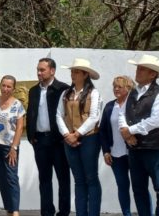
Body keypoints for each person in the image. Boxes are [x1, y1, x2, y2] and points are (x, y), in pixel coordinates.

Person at [119, 54, 159, 216]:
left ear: (152, 74)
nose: (137, 71)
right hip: (135, 149)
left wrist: (131, 131)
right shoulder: (132, 93)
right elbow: (122, 114)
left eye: (142, 69)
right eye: (138, 68)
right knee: (138, 189)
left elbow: (156, 120)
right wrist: (126, 134)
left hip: (154, 149)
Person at [56, 58, 103, 216]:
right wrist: (67, 135)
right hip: (69, 139)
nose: (73, 74)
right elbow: (59, 115)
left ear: (85, 75)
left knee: (91, 177)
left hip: (89, 138)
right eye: (72, 71)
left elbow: (94, 117)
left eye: (76, 72)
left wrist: (77, 134)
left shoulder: (93, 93)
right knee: (78, 179)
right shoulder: (66, 93)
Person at [26, 58, 71, 216]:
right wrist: (31, 136)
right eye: (38, 69)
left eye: (42, 70)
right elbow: (30, 113)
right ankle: (46, 211)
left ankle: (64, 212)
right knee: (44, 179)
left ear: (52, 71)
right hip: (40, 140)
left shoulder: (63, 89)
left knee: (63, 178)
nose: (39, 72)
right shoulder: (33, 90)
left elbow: (68, 115)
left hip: (58, 141)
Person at [0, 75, 25, 216]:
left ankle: (15, 210)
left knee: (11, 177)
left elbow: (20, 128)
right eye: (3, 85)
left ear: (14, 88)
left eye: (9, 86)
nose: (5, 89)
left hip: (9, 146)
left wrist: (14, 148)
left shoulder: (17, 105)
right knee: (1, 177)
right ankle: (9, 209)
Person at [99, 75, 134, 216]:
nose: (116, 89)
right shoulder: (109, 106)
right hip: (116, 154)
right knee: (122, 186)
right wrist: (106, 151)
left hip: (134, 152)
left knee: (139, 187)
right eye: (114, 86)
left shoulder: (134, 104)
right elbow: (103, 131)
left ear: (128, 88)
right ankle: (127, 214)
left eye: (120, 86)